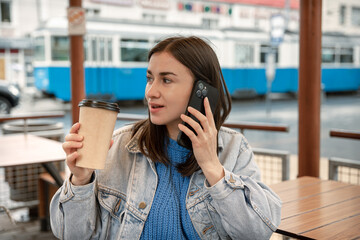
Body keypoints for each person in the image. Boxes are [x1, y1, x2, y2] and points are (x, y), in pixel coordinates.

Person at [50, 36, 281, 240]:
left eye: (166, 80)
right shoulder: (120, 145)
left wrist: (212, 167)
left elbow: (257, 233)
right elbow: (71, 234)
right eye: (150, 78)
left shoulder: (234, 149)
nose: (151, 91)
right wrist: (80, 181)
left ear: (201, 91)